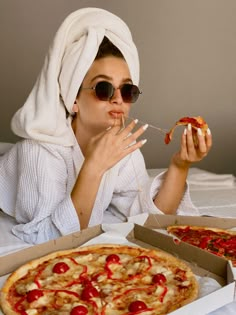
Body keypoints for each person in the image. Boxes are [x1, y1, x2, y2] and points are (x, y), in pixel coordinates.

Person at [0, 7, 212, 244]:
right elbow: (50, 239)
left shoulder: (118, 147)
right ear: (73, 99)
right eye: (104, 88)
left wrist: (180, 165)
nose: (118, 99)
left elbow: (150, 218)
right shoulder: (38, 152)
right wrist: (94, 167)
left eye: (128, 90)